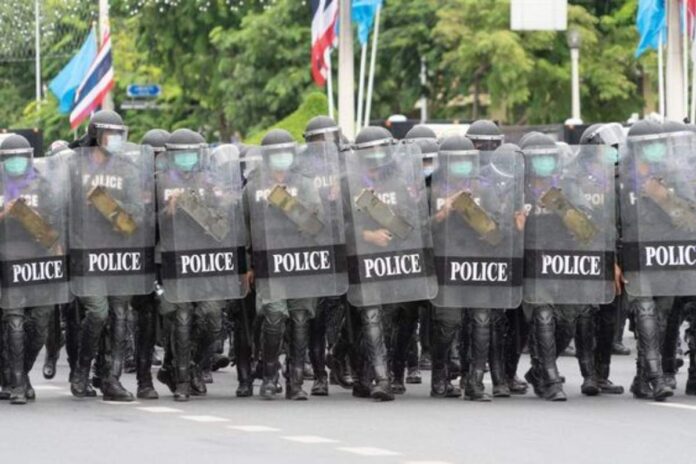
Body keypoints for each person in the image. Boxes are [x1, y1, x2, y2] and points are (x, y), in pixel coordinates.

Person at [68, 110, 156, 402]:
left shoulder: (127, 169)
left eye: (120, 135)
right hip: (86, 251)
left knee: (120, 314)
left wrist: (113, 207)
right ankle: (81, 371)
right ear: (96, 134)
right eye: (111, 135)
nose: (116, 140)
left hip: (120, 252)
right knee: (97, 311)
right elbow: (58, 208)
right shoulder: (74, 166)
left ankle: (111, 379)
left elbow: (139, 211)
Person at [0, 134, 70, 404]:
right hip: (7, 261)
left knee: (40, 324)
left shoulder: (42, 184)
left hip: (39, 263)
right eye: (11, 159)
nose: (17, 163)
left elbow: (58, 220)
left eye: (21, 158)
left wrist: (44, 226)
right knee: (14, 322)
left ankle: (22, 373)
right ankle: (16, 383)